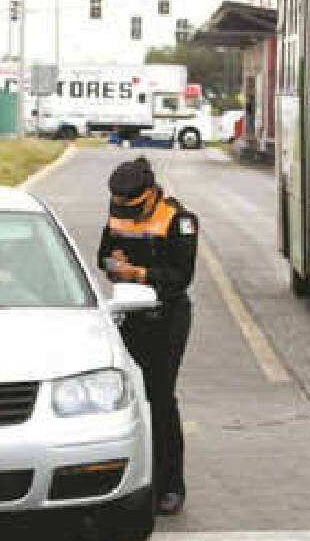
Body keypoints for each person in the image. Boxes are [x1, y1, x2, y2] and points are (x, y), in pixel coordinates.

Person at [97, 156, 198, 516]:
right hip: (128, 316)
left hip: (166, 318)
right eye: (120, 205)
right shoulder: (118, 209)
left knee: (160, 396)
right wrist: (113, 266)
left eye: (134, 205)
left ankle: (170, 486)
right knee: (127, 398)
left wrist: (136, 272)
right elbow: (102, 257)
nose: (125, 212)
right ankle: (130, 482)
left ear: (151, 193)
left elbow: (180, 277)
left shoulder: (178, 220)